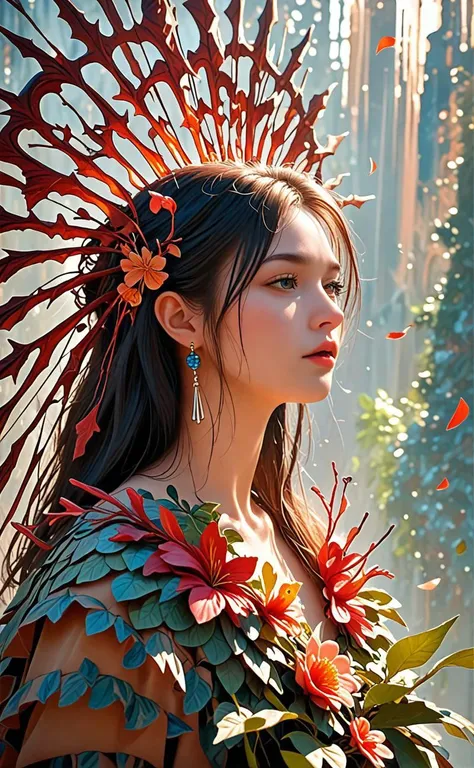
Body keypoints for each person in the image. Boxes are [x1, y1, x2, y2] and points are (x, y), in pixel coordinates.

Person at [1, 2, 472, 767]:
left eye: (330, 283)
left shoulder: (303, 543)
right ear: (181, 318)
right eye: (284, 282)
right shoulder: (108, 591)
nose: (329, 315)